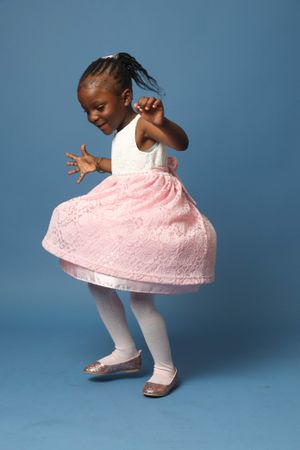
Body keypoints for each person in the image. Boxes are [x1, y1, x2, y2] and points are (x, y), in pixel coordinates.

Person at [41, 52, 217, 398]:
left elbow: (181, 143)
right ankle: (126, 351)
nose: (93, 116)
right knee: (97, 280)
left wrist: (162, 122)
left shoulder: (143, 123)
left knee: (140, 300)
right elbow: (127, 168)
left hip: (151, 217)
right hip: (126, 215)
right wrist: (98, 164)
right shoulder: (121, 134)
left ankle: (165, 368)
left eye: (99, 107)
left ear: (124, 98)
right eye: (87, 111)